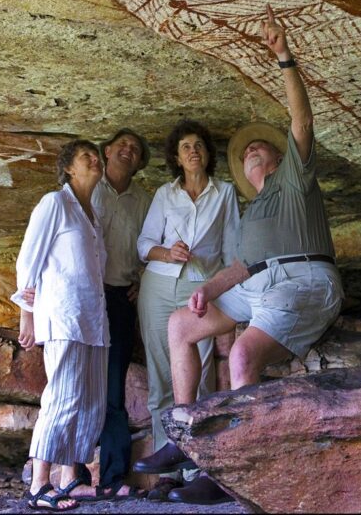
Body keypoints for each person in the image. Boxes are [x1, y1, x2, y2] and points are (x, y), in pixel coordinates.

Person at [144, 5, 344, 505]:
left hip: (302, 279)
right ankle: (186, 441)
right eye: (247, 151)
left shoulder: (294, 182)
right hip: (256, 283)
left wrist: (284, 58)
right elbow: (240, 267)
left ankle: (234, 471)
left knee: (242, 355)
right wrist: (208, 291)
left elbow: (301, 118)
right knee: (180, 326)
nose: (254, 151)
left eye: (263, 148)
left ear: (278, 159)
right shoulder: (251, 211)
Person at [133, 120, 240, 479]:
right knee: (162, 376)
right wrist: (167, 252)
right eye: (185, 147)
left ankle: (197, 472)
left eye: (198, 145)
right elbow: (144, 245)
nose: (193, 151)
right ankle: (166, 474)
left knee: (202, 376)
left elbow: (232, 250)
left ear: (208, 154)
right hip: (159, 288)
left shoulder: (224, 193)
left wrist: (223, 291)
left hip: (201, 289)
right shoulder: (165, 194)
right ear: (176, 158)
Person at [13, 139, 108, 512]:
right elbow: (28, 261)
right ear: (68, 167)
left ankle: (69, 479)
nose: (96, 160)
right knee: (63, 398)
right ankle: (39, 485)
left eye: (97, 155)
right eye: (87, 156)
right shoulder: (55, 204)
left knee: (90, 401)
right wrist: (27, 313)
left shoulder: (93, 215)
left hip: (93, 318)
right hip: (64, 316)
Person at [59, 128, 153, 501]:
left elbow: (154, 243)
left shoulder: (144, 200)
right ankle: (74, 474)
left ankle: (112, 478)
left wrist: (143, 279)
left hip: (117, 298)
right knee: (80, 386)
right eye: (122, 146)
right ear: (107, 151)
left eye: (136, 148)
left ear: (140, 161)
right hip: (83, 296)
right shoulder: (85, 190)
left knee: (112, 387)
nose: (128, 151)